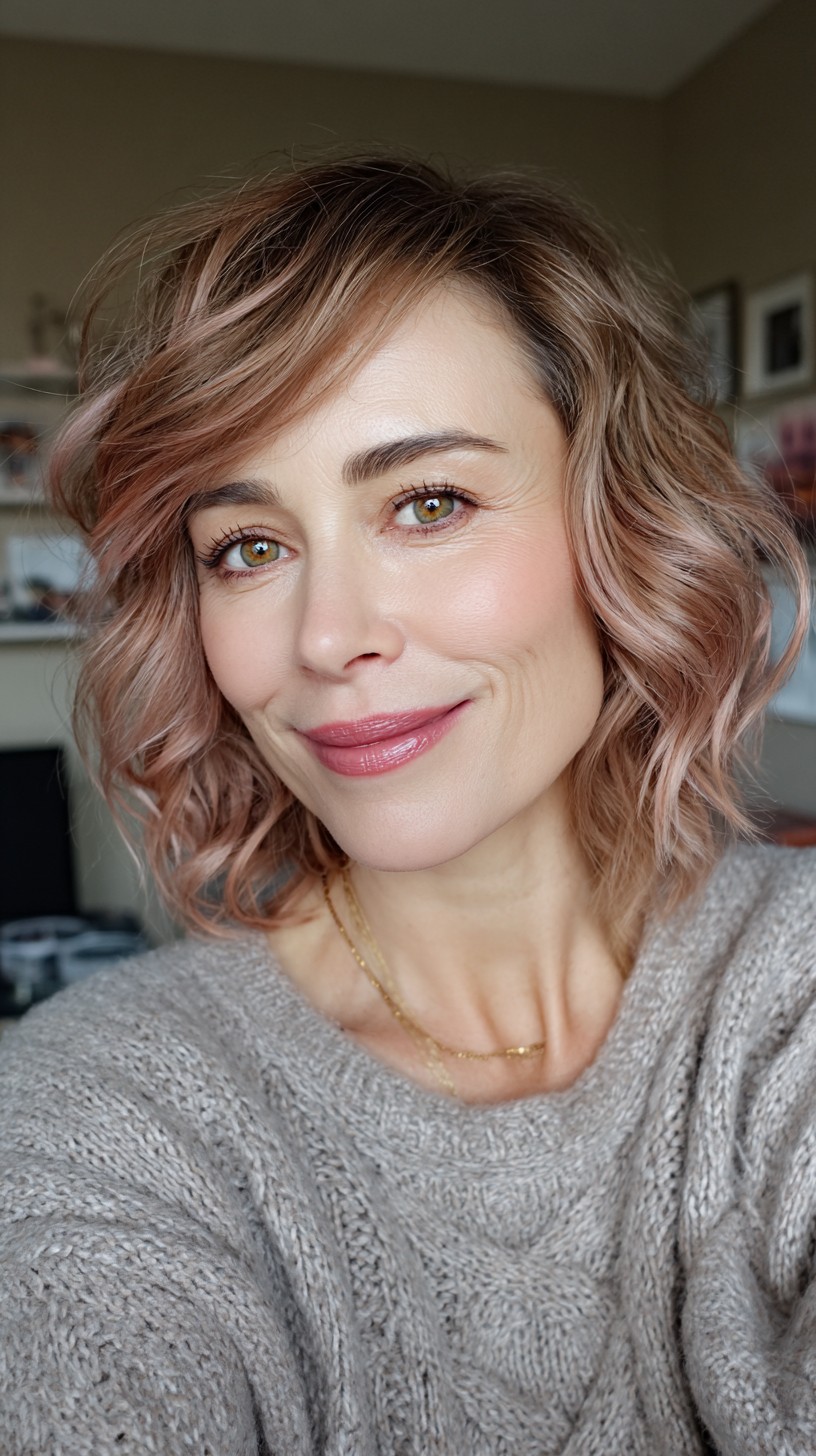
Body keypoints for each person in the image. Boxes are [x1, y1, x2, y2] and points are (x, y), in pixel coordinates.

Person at [1, 153, 814, 1456]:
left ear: (619, 529)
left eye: (428, 504)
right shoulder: (94, 1116)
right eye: (249, 547)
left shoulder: (791, 989)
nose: (328, 636)